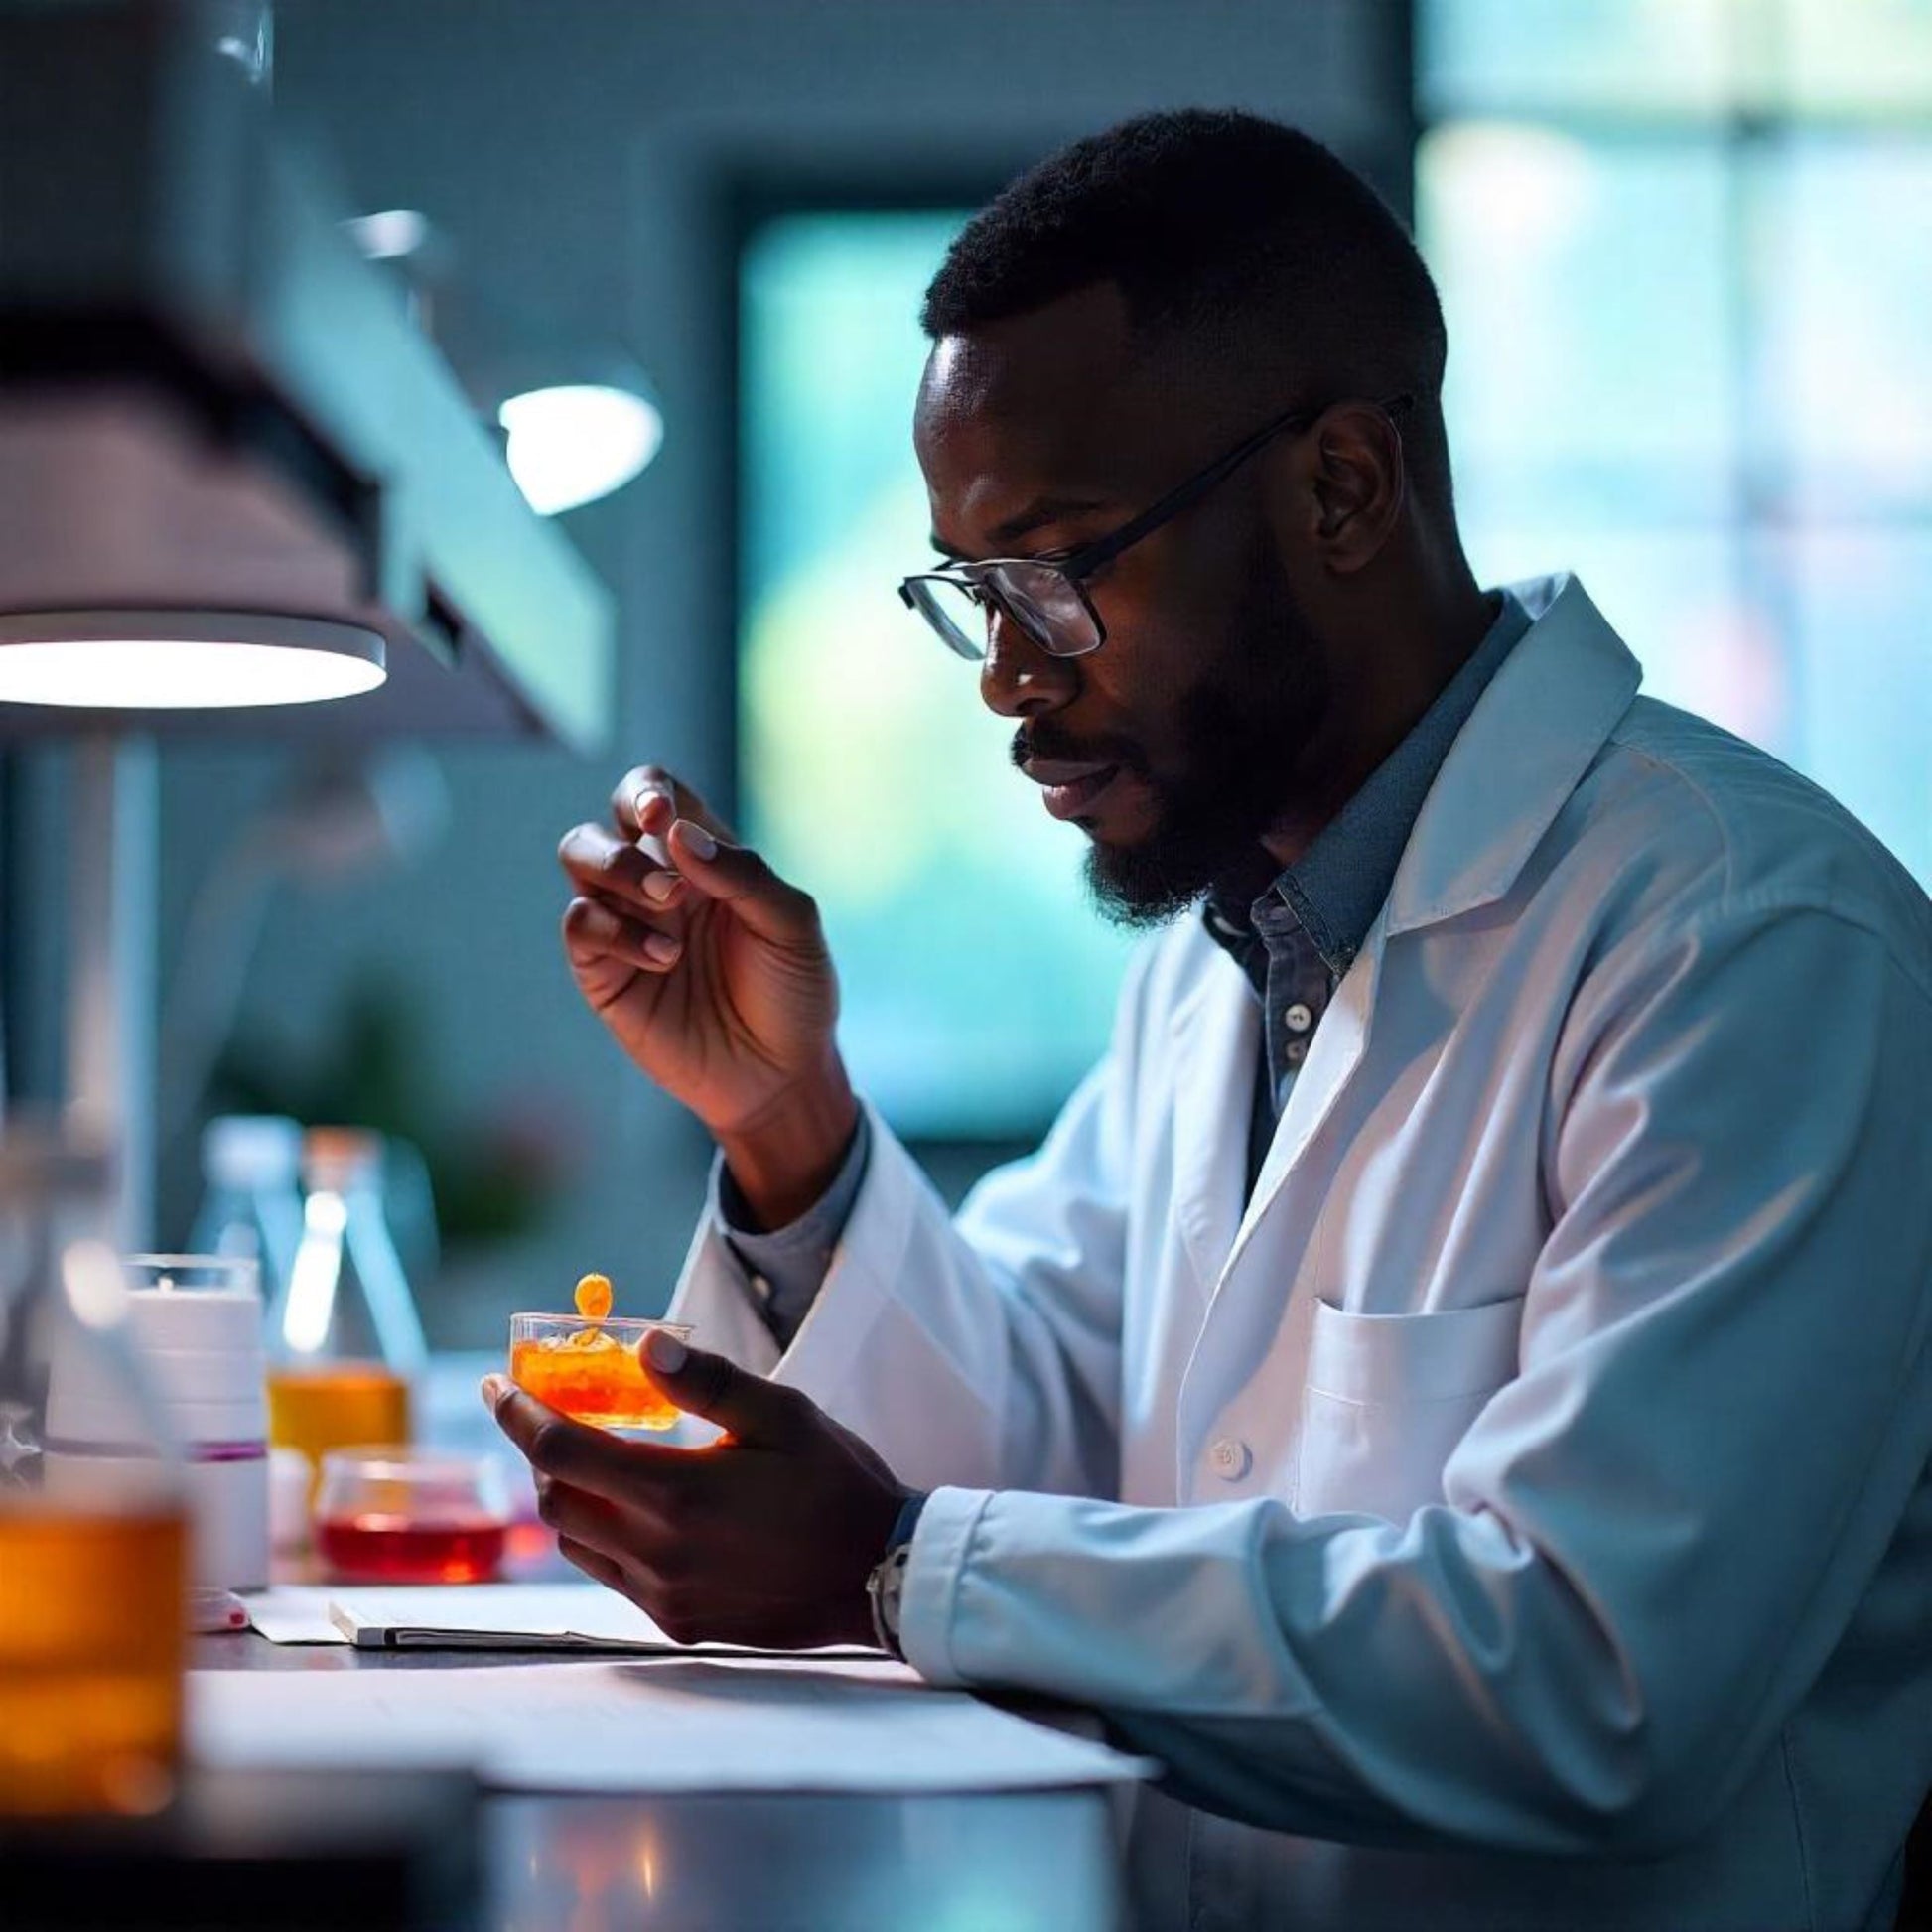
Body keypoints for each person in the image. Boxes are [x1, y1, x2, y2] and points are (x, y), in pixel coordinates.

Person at [490, 109, 1932, 1930]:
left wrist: (889, 1571)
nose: (1008, 677)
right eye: (970, 591)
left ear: (1339, 487)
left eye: (1058, 570)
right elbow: (1041, 1442)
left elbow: (1600, 1675)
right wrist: (789, 1126)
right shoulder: (1222, 953)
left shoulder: (1743, 941)